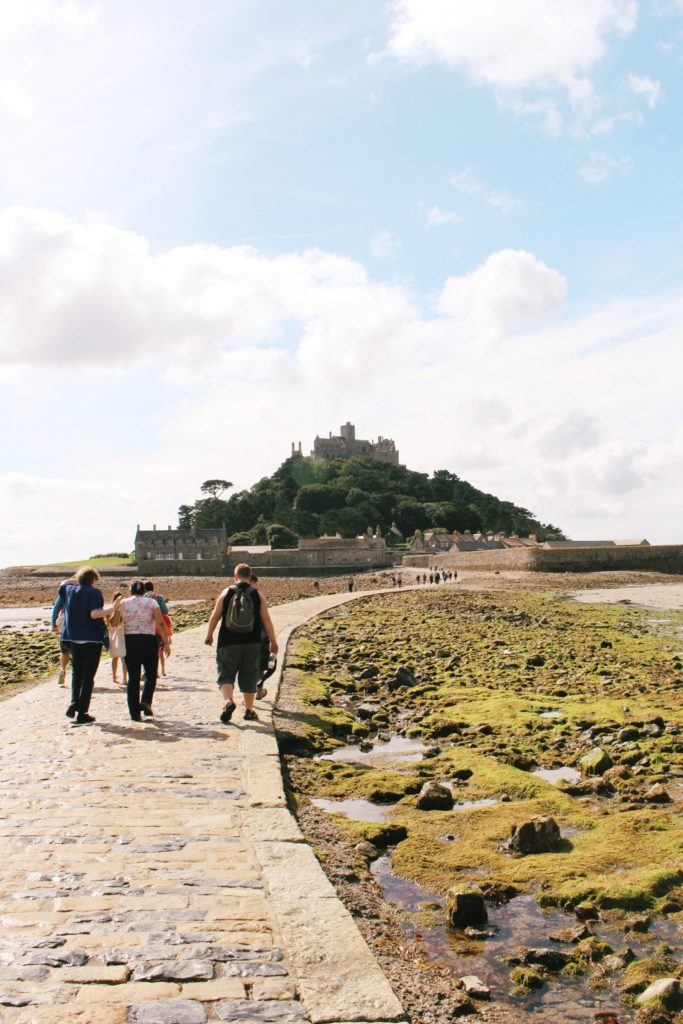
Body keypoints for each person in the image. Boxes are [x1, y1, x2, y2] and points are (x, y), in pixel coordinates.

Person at [204, 563, 278, 724]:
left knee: (225, 674)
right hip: (252, 643)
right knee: (249, 675)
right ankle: (249, 710)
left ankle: (228, 701)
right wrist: (273, 641)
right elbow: (266, 619)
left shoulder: (227, 592)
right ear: (250, 576)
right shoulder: (257, 594)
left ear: (235, 576)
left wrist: (209, 635)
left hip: (227, 642)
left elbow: (215, 616)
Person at [59, 566, 117, 725]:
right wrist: (113, 608)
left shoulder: (70, 590)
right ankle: (82, 712)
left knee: (77, 673)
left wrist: (77, 580)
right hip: (92, 639)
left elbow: (63, 583)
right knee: (88, 678)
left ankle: (73, 702)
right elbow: (94, 614)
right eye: (96, 581)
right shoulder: (94, 592)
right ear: (93, 579)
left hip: (74, 639)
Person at [120, 579, 170, 721]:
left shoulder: (124, 603)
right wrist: (166, 643)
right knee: (151, 674)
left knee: (133, 678)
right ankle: (146, 702)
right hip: (148, 640)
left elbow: (114, 622)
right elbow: (160, 623)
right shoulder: (152, 602)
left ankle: (134, 713)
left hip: (130, 640)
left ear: (131, 590)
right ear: (144, 591)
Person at [51, 574, 77, 686]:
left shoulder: (63, 593)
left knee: (64, 651)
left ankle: (63, 669)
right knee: (77, 651)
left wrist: (53, 624)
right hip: (77, 625)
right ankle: (77, 674)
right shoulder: (78, 592)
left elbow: (56, 609)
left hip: (64, 625)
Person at [143, 581, 172, 678]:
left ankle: (147, 671)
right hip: (157, 629)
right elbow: (165, 611)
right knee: (157, 650)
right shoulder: (158, 598)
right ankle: (155, 671)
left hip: (145, 627)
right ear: (153, 588)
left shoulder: (142, 598)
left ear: (144, 589)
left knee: (147, 651)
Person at [106, 591, 128, 686]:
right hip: (122, 634)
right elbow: (115, 623)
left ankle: (116, 676)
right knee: (123, 657)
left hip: (114, 635)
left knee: (116, 657)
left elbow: (110, 624)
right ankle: (124, 678)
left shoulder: (110, 610)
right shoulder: (117, 610)